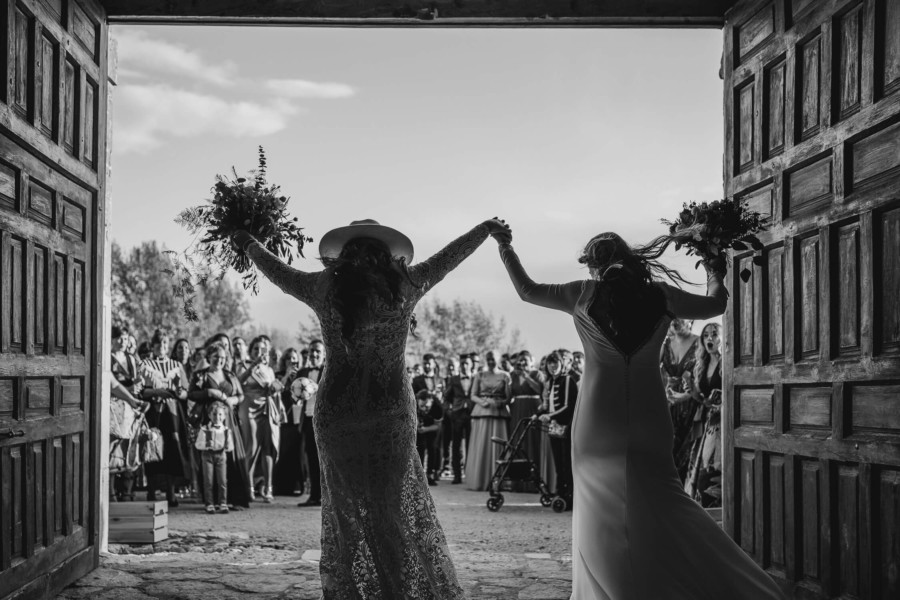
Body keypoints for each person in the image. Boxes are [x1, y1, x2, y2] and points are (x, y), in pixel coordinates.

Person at [496, 227, 784, 599]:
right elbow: (716, 305)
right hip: (650, 414)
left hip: (598, 418)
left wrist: (504, 245)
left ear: (594, 265)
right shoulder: (661, 296)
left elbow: (526, 290)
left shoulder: (581, 293)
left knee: (598, 509)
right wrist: (714, 267)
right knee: (666, 500)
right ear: (630, 258)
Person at [233, 217, 508, 598]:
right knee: (391, 506)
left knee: (345, 508)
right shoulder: (407, 283)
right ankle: (399, 590)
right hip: (389, 410)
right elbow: (451, 256)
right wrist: (486, 229)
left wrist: (248, 241)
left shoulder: (323, 286)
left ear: (343, 253)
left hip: (338, 413)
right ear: (387, 252)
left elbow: (276, 270)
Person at [188, 342, 251, 509]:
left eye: (223, 357)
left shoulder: (230, 375)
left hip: (228, 419)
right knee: (211, 456)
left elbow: (241, 395)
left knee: (230, 456)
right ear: (209, 357)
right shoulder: (200, 375)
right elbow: (191, 394)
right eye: (216, 357)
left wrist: (233, 400)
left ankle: (232, 499)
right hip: (209, 420)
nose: (219, 360)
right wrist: (208, 392)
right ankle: (212, 499)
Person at [140, 329, 191, 506]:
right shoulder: (144, 365)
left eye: (164, 343)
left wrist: (178, 391)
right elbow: (140, 391)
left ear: (168, 346)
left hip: (171, 412)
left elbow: (185, 392)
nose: (161, 346)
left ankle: (171, 492)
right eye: (158, 343)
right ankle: (151, 491)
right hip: (153, 412)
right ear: (153, 345)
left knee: (172, 449)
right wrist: (156, 391)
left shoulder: (176, 366)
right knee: (152, 446)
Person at [237, 335, 285, 502]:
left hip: (267, 408)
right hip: (249, 408)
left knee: (268, 447)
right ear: (250, 351)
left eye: (262, 349)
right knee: (251, 448)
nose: (259, 352)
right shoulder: (243, 365)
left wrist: (280, 384)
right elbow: (239, 382)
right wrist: (254, 366)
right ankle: (248, 487)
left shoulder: (269, 370)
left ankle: (268, 487)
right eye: (255, 349)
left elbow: (271, 390)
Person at [684, 323, 723, 507]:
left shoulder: (728, 362)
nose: (709, 338)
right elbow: (704, 400)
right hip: (707, 424)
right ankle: (702, 510)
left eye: (714, 334)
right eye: (706, 335)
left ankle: (717, 511)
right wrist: (692, 391)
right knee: (700, 471)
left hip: (722, 423)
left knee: (714, 469)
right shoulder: (702, 364)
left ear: (723, 337)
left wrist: (722, 400)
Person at [660, 317, 701, 482]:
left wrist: (685, 395)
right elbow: (648, 369)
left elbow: (707, 378)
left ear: (691, 320)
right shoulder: (664, 343)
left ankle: (683, 488)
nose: (675, 320)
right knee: (665, 447)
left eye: (680, 316)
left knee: (687, 451)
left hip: (692, 402)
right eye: (672, 316)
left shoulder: (700, 342)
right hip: (667, 401)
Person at [465, 349, 512, 491]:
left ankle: (499, 480)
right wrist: (482, 402)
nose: (491, 362)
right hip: (482, 412)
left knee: (499, 444)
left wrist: (502, 402)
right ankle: (480, 479)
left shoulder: (505, 375)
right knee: (482, 444)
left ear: (498, 360)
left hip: (499, 413)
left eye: (493, 359)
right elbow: (473, 395)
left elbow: (509, 397)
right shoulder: (479, 375)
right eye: (489, 359)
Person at [537, 351, 577, 508]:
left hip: (565, 427)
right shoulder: (551, 382)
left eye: (556, 363)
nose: (552, 366)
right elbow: (547, 405)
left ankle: (570, 496)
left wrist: (550, 415)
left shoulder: (567, 380)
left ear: (562, 364)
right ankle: (561, 493)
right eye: (550, 363)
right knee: (559, 463)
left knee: (566, 463)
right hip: (554, 427)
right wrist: (538, 414)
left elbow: (568, 406)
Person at [296, 339, 325, 507]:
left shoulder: (329, 370)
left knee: (325, 460)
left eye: (317, 351)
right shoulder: (302, 372)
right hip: (307, 419)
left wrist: (316, 388)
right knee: (311, 459)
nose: (314, 354)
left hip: (325, 421)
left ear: (323, 354)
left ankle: (327, 498)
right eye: (311, 351)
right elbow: (294, 396)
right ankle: (314, 496)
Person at [508, 350, 544, 488]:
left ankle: (534, 481)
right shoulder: (513, 375)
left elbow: (539, 390)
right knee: (517, 441)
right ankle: (517, 481)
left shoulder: (537, 374)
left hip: (533, 408)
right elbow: (509, 394)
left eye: (525, 360)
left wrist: (526, 376)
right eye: (520, 360)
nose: (522, 363)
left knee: (532, 441)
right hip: (517, 409)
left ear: (531, 361)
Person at [195, 403, 235, 513]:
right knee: (208, 481)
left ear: (224, 416)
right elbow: (197, 444)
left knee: (222, 480)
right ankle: (209, 503)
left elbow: (231, 447)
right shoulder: (205, 429)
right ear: (209, 415)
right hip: (207, 456)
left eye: (220, 414)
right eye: (214, 414)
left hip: (221, 456)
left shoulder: (226, 430)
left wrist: (227, 446)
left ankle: (223, 502)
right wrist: (206, 445)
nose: (217, 417)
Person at [442, 353, 475, 484]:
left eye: (467, 363)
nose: (464, 366)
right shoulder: (453, 379)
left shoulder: (476, 378)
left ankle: (471, 474)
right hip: (457, 414)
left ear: (471, 365)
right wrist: (449, 411)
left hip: (472, 414)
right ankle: (457, 475)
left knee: (471, 444)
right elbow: (446, 397)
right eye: (462, 363)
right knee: (456, 445)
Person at [415, 389, 444, 486]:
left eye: (426, 406)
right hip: (419, 424)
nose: (424, 409)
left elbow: (437, 426)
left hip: (432, 426)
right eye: (421, 406)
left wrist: (426, 429)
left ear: (431, 400)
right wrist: (417, 424)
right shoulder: (412, 402)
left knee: (432, 447)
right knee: (420, 447)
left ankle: (430, 474)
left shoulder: (438, 407)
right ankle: (419, 474)